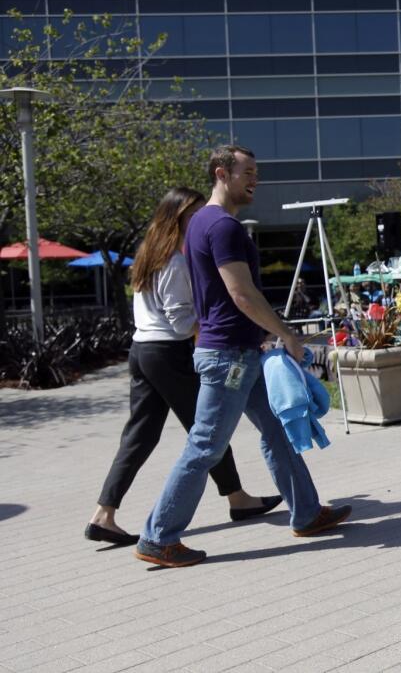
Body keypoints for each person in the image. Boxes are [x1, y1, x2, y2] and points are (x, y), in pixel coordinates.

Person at [135, 146, 351, 568]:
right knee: (205, 447)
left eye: (257, 172)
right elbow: (241, 292)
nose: (255, 180)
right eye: (248, 172)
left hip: (237, 352)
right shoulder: (224, 227)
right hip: (229, 357)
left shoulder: (199, 222)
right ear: (222, 173)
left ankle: (306, 512)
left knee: (275, 430)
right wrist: (286, 333)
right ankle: (158, 537)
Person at [86, 188, 281, 547]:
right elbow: (179, 322)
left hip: (142, 350)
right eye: (191, 217)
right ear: (174, 219)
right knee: (209, 430)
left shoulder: (147, 257)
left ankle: (104, 514)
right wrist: (211, 333)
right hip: (167, 354)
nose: (197, 223)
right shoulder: (174, 262)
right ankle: (236, 500)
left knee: (141, 436)